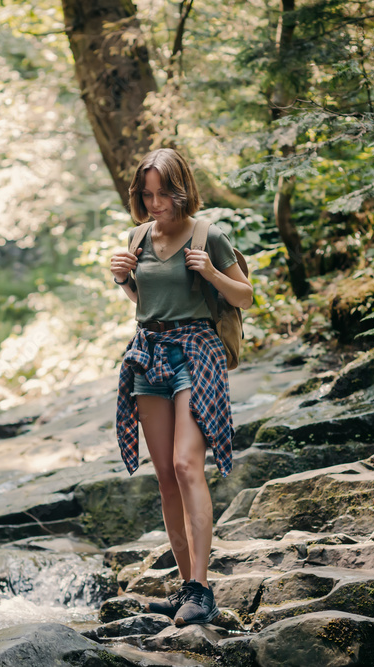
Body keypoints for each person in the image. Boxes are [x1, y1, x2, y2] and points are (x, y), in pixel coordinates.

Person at [111, 148, 253, 626]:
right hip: (149, 353)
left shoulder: (208, 234)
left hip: (196, 351)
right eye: (146, 195)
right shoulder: (137, 236)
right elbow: (146, 300)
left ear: (180, 189)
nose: (155, 204)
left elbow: (245, 297)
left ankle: (203, 589)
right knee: (166, 476)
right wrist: (124, 281)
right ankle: (184, 587)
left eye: (162, 195)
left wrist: (210, 272)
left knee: (186, 464)